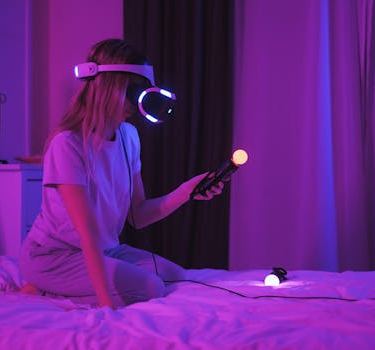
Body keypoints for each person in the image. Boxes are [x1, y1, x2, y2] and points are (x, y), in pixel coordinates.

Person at [19, 38, 223, 309]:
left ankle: (60, 288)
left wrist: (186, 192)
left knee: (176, 278)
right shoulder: (67, 144)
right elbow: (87, 233)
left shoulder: (129, 136)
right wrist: (107, 307)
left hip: (105, 249)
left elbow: (138, 214)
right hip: (55, 256)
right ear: (107, 86)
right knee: (151, 287)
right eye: (130, 89)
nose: (136, 100)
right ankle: (45, 288)